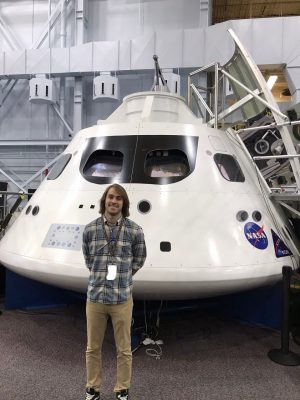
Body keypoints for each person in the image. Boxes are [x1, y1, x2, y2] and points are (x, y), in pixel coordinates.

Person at [82, 183, 147, 400]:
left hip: (121, 298)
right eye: (110, 197)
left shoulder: (134, 231)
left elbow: (139, 259)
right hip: (96, 298)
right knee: (92, 348)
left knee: (124, 349)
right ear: (104, 200)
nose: (113, 201)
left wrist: (124, 277)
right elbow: (89, 260)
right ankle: (93, 388)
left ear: (123, 203)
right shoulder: (90, 229)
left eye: (118, 198)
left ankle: (122, 389)